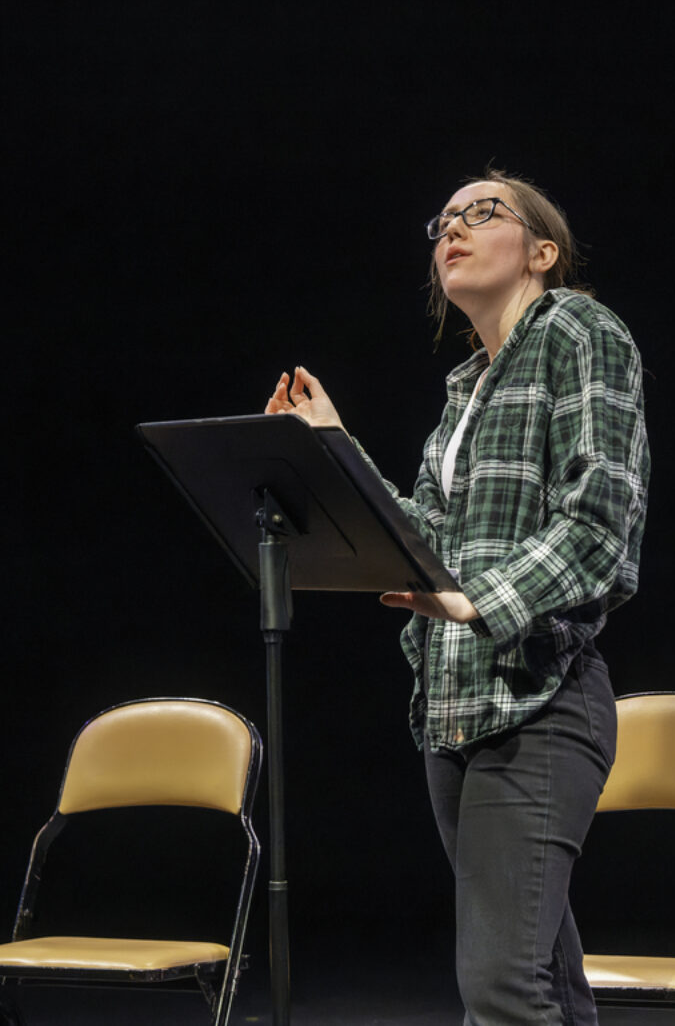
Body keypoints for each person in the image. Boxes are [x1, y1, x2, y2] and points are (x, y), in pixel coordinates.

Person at [266, 169, 648, 1025]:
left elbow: (601, 519)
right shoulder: (462, 397)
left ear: (541, 252)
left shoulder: (581, 331)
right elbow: (422, 541)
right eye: (443, 217)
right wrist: (332, 447)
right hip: (454, 708)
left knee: (503, 992)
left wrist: (480, 599)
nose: (454, 227)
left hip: (540, 702)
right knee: (545, 982)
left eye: (483, 212)